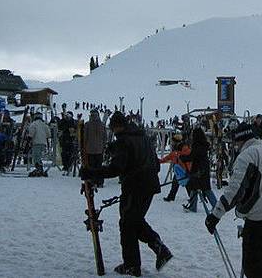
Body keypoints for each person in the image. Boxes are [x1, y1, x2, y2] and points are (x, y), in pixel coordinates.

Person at [80, 111, 172, 277]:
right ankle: (158, 249)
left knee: (127, 224)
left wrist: (92, 173)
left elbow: (116, 168)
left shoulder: (124, 140)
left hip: (134, 187)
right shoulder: (143, 137)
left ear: (117, 127)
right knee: (134, 221)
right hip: (149, 186)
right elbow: (156, 164)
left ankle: (132, 265)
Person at [205, 122, 262, 278]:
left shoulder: (247, 156)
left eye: (236, 142)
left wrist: (215, 215)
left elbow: (234, 191)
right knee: (261, 263)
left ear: (240, 139)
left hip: (260, 217)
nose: (235, 145)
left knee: (253, 268)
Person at [180, 127, 217, 212]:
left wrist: (184, 158)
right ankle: (213, 205)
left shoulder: (197, 145)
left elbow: (193, 156)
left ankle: (213, 206)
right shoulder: (203, 145)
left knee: (202, 188)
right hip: (203, 168)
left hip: (198, 170)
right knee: (201, 188)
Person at [159, 133, 191, 201]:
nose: (172, 143)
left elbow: (189, 159)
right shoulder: (175, 150)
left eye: (173, 141)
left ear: (177, 141)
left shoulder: (185, 149)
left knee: (187, 184)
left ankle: (192, 197)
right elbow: (167, 158)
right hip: (178, 170)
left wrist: (189, 169)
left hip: (184, 170)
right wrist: (158, 161)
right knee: (175, 184)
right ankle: (171, 197)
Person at [83, 109, 107, 187]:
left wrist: (85, 147)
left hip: (90, 149)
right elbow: (105, 137)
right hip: (100, 149)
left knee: (91, 166)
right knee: (99, 166)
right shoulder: (102, 125)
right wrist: (103, 146)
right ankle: (100, 182)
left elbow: (85, 137)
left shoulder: (87, 125)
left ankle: (92, 181)